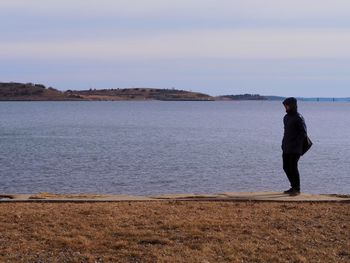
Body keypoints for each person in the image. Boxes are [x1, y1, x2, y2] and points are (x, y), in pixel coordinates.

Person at [282, 97, 307, 196]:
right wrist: (283, 143)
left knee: (293, 167)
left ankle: (297, 189)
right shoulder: (286, 117)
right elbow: (286, 132)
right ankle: (293, 187)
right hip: (286, 147)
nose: (285, 107)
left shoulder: (299, 117)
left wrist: (296, 144)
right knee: (286, 167)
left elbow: (303, 133)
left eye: (287, 105)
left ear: (292, 105)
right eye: (284, 105)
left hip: (295, 148)